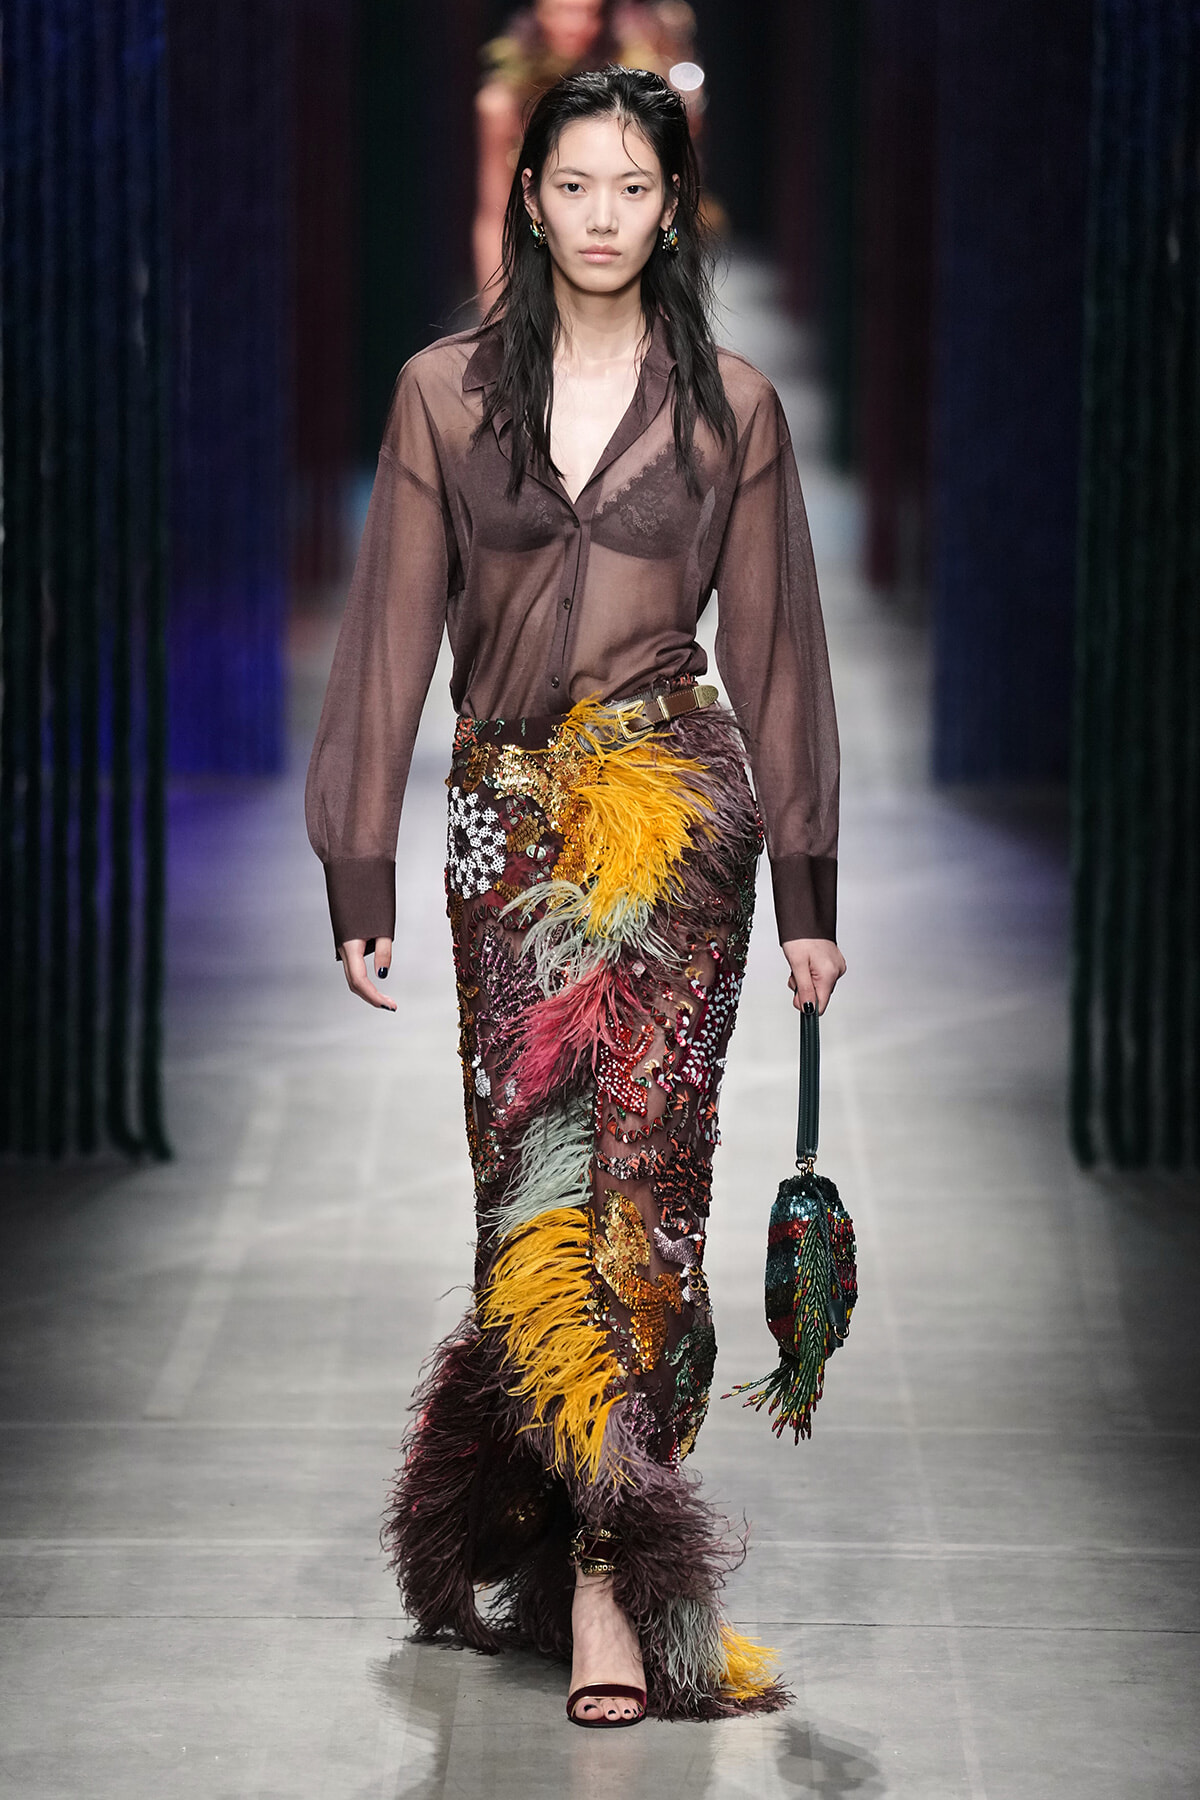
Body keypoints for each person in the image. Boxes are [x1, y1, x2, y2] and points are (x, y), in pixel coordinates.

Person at [305, 65, 845, 1728]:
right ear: (530, 197)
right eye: (576, 184)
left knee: (653, 1194)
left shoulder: (731, 407)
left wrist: (809, 891)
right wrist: (356, 861)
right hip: (508, 837)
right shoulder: (443, 395)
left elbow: (777, 648)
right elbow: (391, 631)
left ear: (673, 208)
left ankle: (614, 1577)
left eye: (635, 186)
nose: (604, 215)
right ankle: (551, 1528)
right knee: (533, 1192)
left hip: (680, 829)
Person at [474, 1, 702, 300]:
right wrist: (496, 307)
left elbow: (674, 200)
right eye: (562, 10)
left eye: (589, 12)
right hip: (539, 279)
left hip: (633, 284)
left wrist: (670, 300)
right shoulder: (505, 102)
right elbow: (493, 213)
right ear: (537, 11)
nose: (575, 25)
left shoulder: (643, 94)